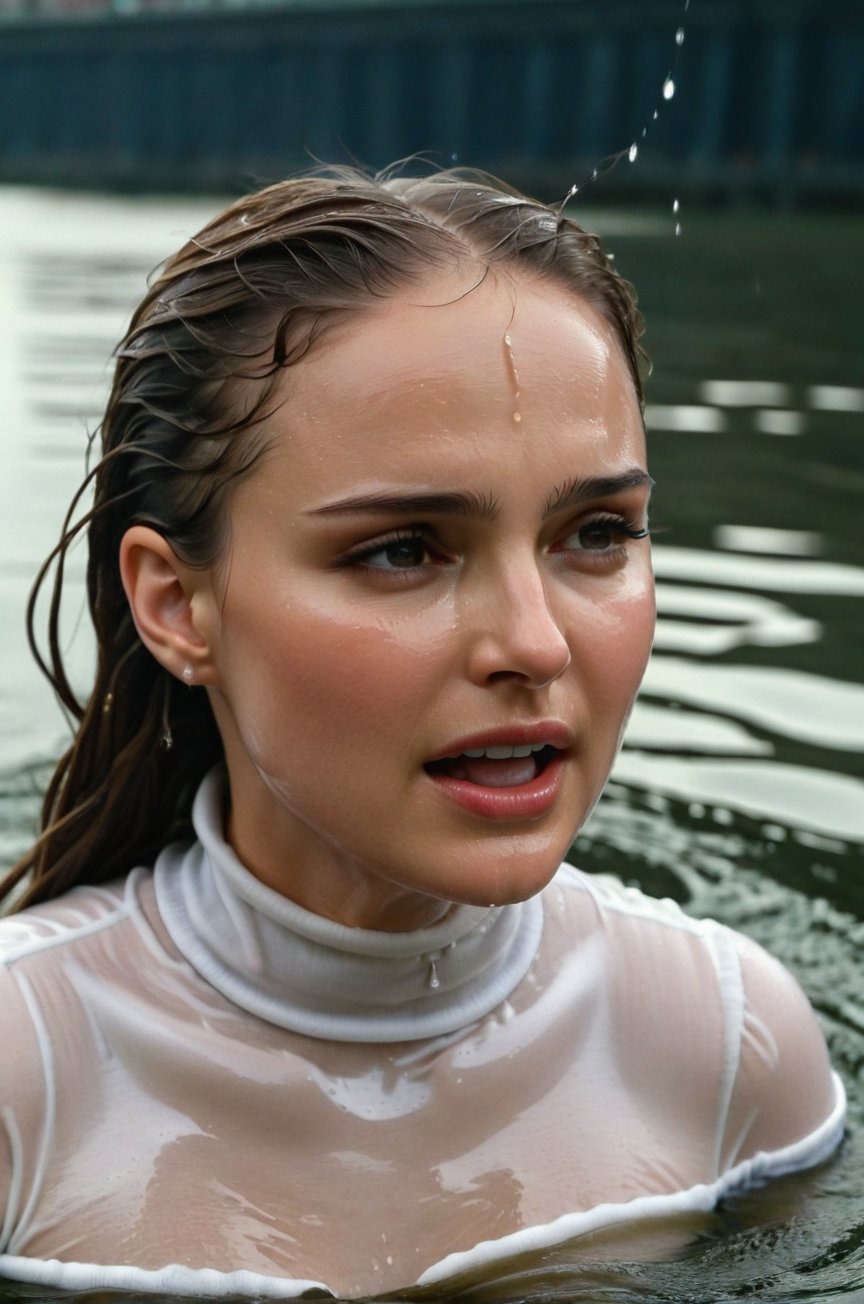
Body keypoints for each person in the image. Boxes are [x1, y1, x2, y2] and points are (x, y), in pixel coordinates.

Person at [0, 167, 844, 1301]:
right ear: (176, 604)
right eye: (404, 548)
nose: (535, 643)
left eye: (597, 532)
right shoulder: (26, 1072)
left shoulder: (731, 1043)